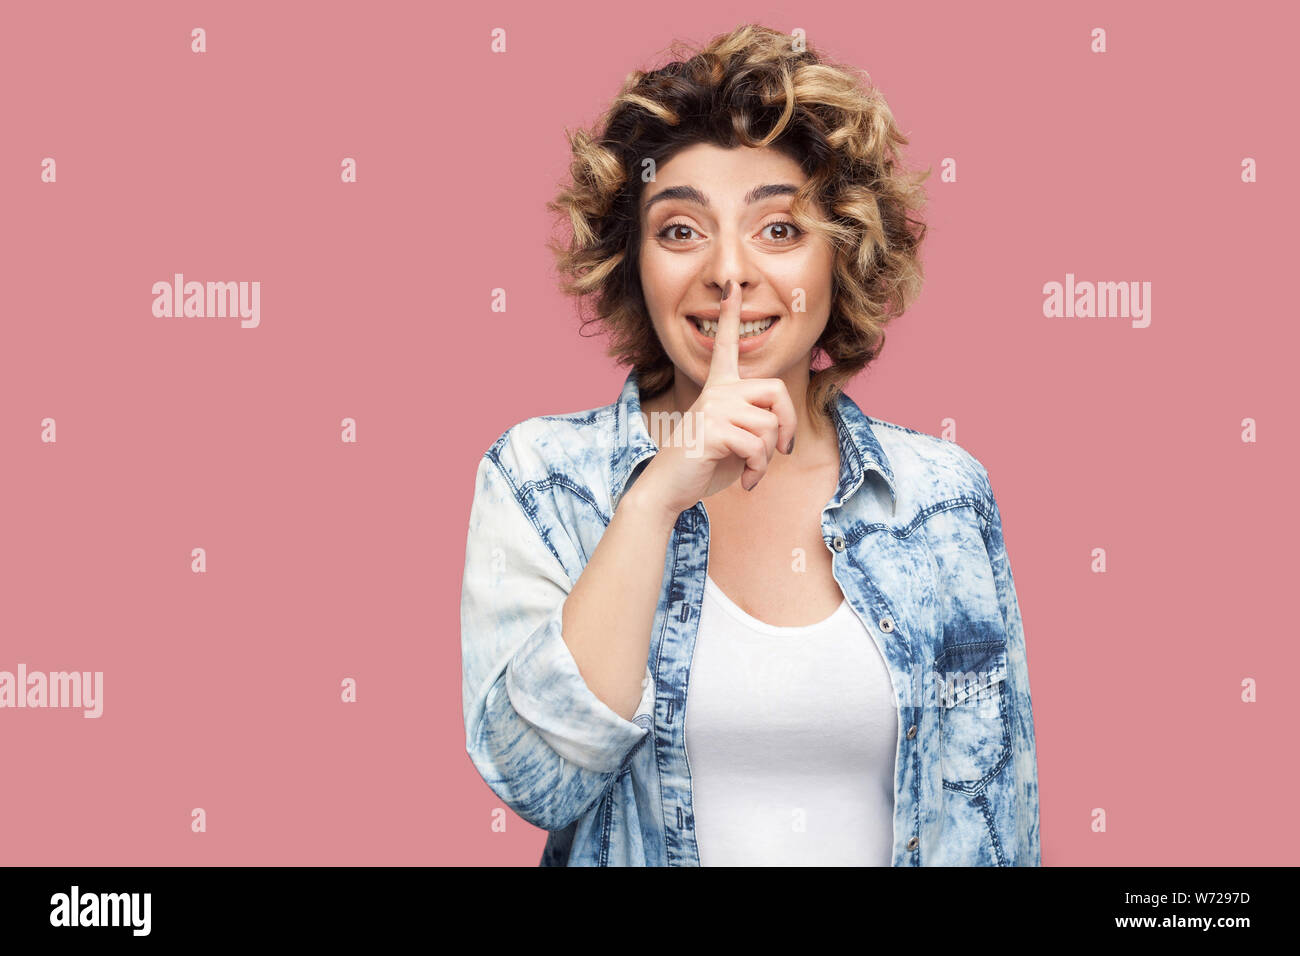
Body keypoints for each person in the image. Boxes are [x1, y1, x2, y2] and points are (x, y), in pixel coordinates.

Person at [460, 23, 1039, 866]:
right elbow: (540, 782)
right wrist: (655, 500)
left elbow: (999, 820)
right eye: (681, 231)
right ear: (632, 262)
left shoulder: (943, 495)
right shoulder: (540, 480)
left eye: (777, 229)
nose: (730, 271)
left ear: (839, 256)